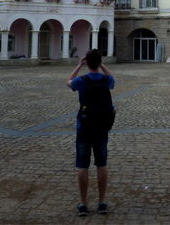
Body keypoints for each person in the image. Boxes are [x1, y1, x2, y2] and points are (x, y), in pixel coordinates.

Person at [67, 49, 114, 216]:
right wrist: (102, 65)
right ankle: (101, 202)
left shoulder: (81, 81)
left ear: (87, 62)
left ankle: (83, 203)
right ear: (99, 63)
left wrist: (79, 65)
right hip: (102, 126)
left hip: (84, 127)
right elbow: (113, 79)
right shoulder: (106, 79)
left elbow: (68, 81)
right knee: (102, 164)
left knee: (82, 165)